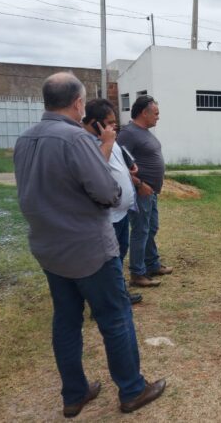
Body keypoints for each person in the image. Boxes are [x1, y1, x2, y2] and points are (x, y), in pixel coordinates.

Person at [13, 73, 165, 417]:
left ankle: (74, 393)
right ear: (79, 103)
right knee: (115, 317)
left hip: (48, 248)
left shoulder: (24, 139)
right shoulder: (75, 140)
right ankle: (132, 389)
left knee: (66, 319)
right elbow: (107, 192)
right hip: (88, 248)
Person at [82, 98, 142, 305]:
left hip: (122, 213)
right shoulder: (86, 142)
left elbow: (114, 166)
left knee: (118, 257)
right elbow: (94, 170)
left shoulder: (110, 139)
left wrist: (130, 173)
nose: (114, 126)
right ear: (93, 123)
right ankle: (103, 300)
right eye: (109, 122)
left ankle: (118, 292)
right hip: (106, 217)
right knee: (106, 262)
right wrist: (107, 142)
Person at [117, 95, 173, 288]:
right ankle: (137, 273)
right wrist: (139, 184)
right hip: (141, 192)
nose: (158, 117)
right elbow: (119, 166)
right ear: (144, 113)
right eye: (156, 113)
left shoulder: (145, 132)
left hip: (151, 192)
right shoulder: (128, 134)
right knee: (140, 230)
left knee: (151, 228)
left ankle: (152, 264)